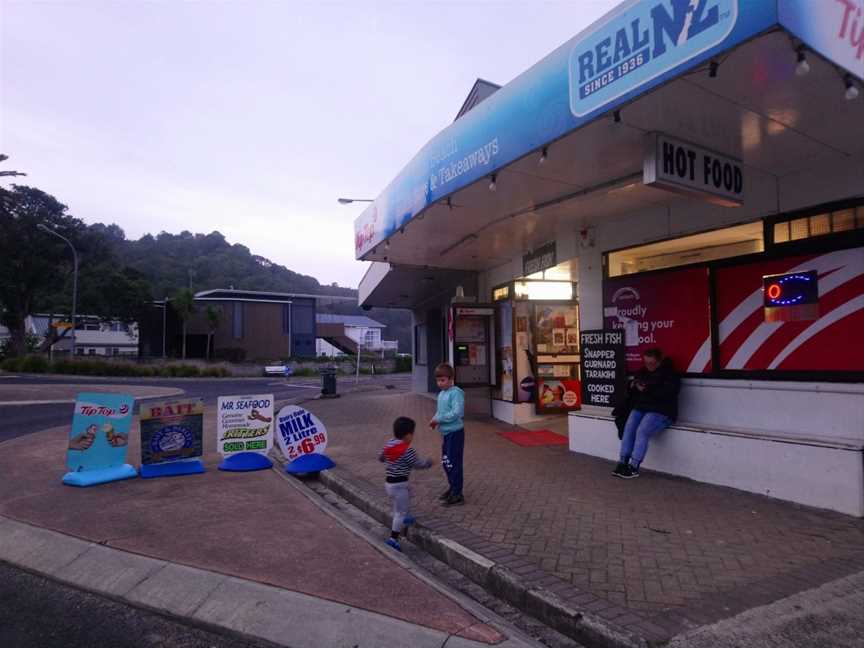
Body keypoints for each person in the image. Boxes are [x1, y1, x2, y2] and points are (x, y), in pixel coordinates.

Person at [613, 348, 680, 479]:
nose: (649, 366)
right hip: (642, 407)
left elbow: (668, 394)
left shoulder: (670, 375)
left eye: (652, 363)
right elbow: (632, 391)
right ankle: (622, 462)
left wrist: (647, 389)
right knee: (629, 428)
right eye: (646, 363)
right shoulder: (642, 372)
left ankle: (634, 466)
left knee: (642, 431)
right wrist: (632, 386)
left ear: (660, 361)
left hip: (661, 410)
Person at [379, 416, 433, 551]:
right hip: (399, 484)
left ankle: (406, 516)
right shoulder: (407, 450)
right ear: (408, 435)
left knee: (408, 493)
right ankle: (393, 539)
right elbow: (418, 464)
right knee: (399, 513)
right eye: (413, 434)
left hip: (389, 483)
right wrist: (429, 462)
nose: (413, 437)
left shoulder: (390, 443)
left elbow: (381, 457)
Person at [429, 363, 466, 506]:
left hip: (455, 433)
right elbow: (441, 412)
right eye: (438, 380)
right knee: (447, 462)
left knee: (453, 463)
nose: (440, 383)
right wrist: (434, 420)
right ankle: (452, 488)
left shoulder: (456, 393)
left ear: (451, 379)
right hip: (446, 433)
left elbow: (458, 413)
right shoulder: (442, 394)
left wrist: (439, 419)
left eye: (443, 380)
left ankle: (457, 494)